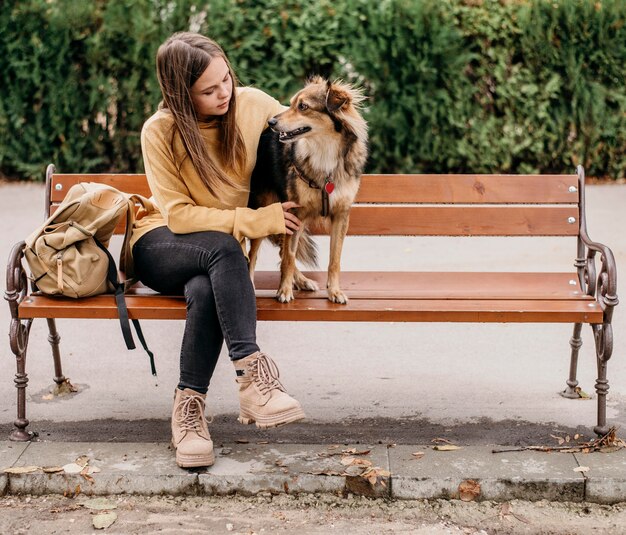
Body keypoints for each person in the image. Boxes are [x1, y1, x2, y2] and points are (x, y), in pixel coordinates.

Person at [130, 32, 305, 469]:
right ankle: (254, 380)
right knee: (225, 249)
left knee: (206, 289)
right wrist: (254, 221)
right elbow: (180, 217)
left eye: (226, 79)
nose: (224, 92)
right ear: (180, 93)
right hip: (160, 243)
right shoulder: (161, 131)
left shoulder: (251, 104)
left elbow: (304, 127)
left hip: (216, 256)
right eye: (209, 90)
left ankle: (188, 414)